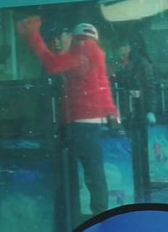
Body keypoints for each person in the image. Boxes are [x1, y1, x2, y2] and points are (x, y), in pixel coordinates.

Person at [17, 17, 118, 226]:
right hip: (92, 123)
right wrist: (112, 112)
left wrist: (33, 35)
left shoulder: (82, 50)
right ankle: (101, 218)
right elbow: (104, 87)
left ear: (74, 36)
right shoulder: (96, 54)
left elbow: (52, 65)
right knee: (95, 173)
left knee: (68, 175)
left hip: (77, 123)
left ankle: (70, 220)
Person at [115, 39, 159, 124]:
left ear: (128, 48)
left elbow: (149, 86)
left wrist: (150, 110)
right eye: (119, 55)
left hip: (140, 109)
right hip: (124, 110)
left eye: (123, 54)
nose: (121, 58)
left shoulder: (141, 63)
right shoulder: (119, 64)